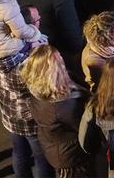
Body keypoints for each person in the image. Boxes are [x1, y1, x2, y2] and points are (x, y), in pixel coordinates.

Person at [22, 44, 91, 177]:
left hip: (55, 146)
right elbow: (84, 127)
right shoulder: (61, 105)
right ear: (53, 71)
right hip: (70, 157)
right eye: (58, 59)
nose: (61, 58)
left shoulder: (38, 88)